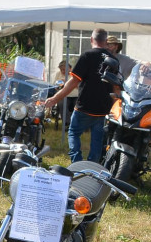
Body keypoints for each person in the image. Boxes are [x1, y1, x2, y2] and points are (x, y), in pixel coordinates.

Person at [46, 28, 113, 164]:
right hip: (103, 108)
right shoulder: (112, 59)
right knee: (97, 139)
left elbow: (73, 82)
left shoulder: (87, 56)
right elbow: (116, 86)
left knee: (74, 133)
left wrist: (54, 99)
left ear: (91, 40)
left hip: (84, 106)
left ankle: (77, 163)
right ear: (106, 42)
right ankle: (92, 167)